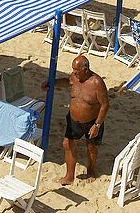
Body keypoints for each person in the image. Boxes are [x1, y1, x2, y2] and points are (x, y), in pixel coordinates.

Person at [43, 55, 108, 185]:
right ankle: (69, 176)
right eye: (73, 69)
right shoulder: (75, 77)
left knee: (91, 147)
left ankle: (90, 170)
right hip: (74, 120)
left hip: (92, 122)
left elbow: (105, 105)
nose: (74, 72)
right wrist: (52, 83)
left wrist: (97, 125)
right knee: (67, 144)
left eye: (76, 69)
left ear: (85, 69)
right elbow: (67, 82)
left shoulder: (97, 83)